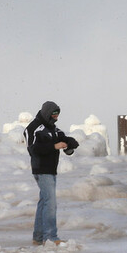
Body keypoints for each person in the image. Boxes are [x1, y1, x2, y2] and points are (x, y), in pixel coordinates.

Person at [24, 101, 79, 245]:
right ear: (47, 114)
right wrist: (54, 146)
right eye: (54, 115)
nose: (56, 118)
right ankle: (51, 237)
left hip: (51, 170)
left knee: (44, 202)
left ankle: (38, 238)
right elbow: (33, 149)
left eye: (57, 115)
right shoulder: (34, 128)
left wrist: (69, 142)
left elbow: (61, 136)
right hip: (41, 169)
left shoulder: (53, 128)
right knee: (51, 203)